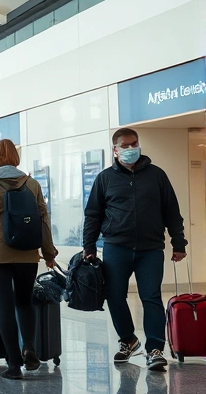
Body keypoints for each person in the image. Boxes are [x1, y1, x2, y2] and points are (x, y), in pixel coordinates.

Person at [83, 127, 187, 372]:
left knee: (150, 297)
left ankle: (154, 350)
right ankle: (128, 339)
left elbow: (172, 211)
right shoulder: (105, 178)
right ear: (115, 149)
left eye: (134, 144)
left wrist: (178, 243)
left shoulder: (157, 175)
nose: (131, 149)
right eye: (125, 145)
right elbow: (93, 214)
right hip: (116, 248)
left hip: (150, 249)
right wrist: (89, 245)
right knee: (115, 296)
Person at [0, 139, 58, 380]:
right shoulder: (32, 184)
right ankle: (29, 346)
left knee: (5, 305)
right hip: (27, 254)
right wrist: (48, 253)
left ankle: (14, 364)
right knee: (24, 302)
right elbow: (43, 220)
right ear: (15, 158)